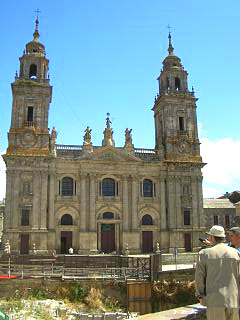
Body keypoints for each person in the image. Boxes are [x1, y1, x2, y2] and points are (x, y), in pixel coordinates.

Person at [195, 225, 240, 320]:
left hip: (214, 302)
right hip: (234, 301)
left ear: (211, 238)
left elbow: (199, 278)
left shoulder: (204, 254)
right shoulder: (235, 253)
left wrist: (200, 296)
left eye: (209, 236)